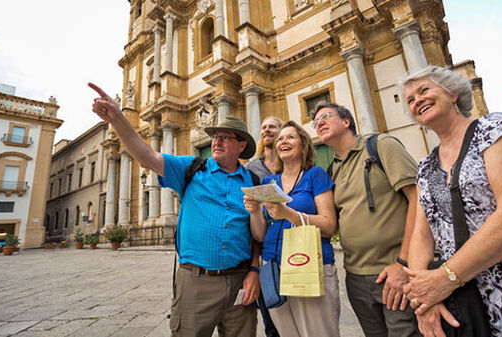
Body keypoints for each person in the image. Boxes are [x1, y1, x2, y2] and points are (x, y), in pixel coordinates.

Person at [400, 65, 502, 337]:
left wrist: (444, 280)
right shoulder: (426, 166)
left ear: (453, 94)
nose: (417, 100)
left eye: (424, 90)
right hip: (470, 304)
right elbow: (422, 234)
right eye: (410, 99)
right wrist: (424, 299)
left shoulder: (498, 130)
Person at [88, 83, 261, 337]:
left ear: (242, 145)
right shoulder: (191, 169)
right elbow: (146, 155)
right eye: (215, 136)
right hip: (195, 283)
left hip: (240, 282)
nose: (216, 141)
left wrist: (254, 271)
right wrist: (118, 119)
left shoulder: (253, 182)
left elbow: (257, 235)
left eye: (225, 137)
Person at [312, 102, 420, 337]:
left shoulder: (380, 146)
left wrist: (404, 263)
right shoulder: (332, 171)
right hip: (356, 278)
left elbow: (419, 200)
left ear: (347, 121)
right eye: (315, 121)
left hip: (394, 271)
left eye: (326, 116)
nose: (319, 122)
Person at [244, 121, 340, 337]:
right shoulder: (270, 181)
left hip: (309, 265)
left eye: (290, 137)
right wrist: (254, 211)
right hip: (274, 268)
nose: (283, 142)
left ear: (303, 144)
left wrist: (290, 215)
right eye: (280, 139)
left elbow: (329, 226)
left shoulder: (315, 175)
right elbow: (260, 234)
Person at [244, 116, 283, 337]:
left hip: (291, 247)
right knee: (271, 320)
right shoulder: (250, 169)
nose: (267, 130)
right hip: (264, 252)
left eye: (272, 127)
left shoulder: (290, 162)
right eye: (263, 127)